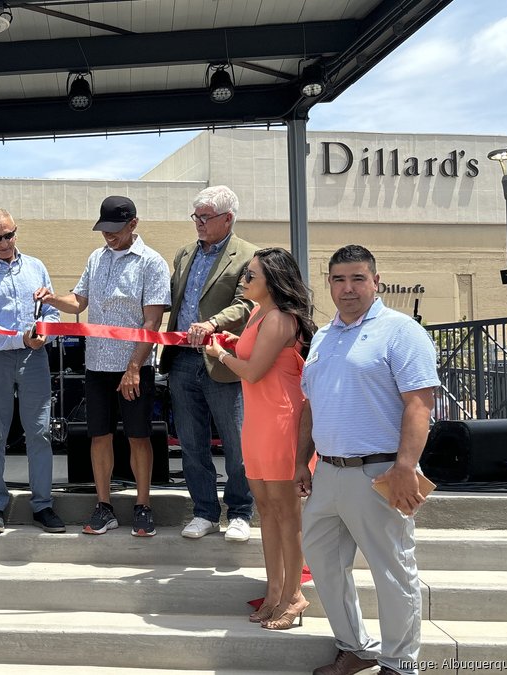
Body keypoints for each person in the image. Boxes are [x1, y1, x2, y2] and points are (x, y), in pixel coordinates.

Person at [295, 245, 438, 675]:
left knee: (392, 571)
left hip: (380, 472)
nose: (348, 288)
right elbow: (309, 405)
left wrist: (406, 468)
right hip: (328, 474)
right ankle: (356, 647)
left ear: (376, 281)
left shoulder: (401, 331)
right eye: (338, 279)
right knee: (322, 561)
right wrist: (302, 462)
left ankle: (400, 663)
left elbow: (419, 403)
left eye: (358, 279)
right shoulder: (323, 336)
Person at [34, 196, 170, 537]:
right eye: (104, 230)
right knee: (99, 436)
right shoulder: (96, 258)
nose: (108, 237)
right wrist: (52, 297)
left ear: (133, 225)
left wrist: (134, 368)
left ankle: (142, 506)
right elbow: (79, 301)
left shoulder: (152, 263)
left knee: (140, 437)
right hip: (96, 365)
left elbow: (152, 322)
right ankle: (104, 505)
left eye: (115, 230)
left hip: (133, 366)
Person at [203, 247, 316, 629]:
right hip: (258, 420)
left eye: (251, 276)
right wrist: (231, 344)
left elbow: (251, 372)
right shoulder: (257, 314)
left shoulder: (281, 318)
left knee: (287, 513)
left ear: (273, 281)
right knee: (266, 511)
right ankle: (274, 593)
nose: (245, 281)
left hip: (281, 421)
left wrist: (220, 352)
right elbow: (254, 360)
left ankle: (293, 596)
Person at [162, 185, 258, 542]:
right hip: (183, 360)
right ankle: (203, 511)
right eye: (196, 216)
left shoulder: (249, 256)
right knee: (191, 441)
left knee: (236, 442)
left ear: (228, 218)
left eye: (206, 217)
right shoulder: (185, 253)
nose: (198, 223)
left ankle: (240, 512)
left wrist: (213, 323)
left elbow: (247, 303)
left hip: (223, 359)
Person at [0, 208, 64, 534]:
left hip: (35, 358)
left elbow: (51, 310)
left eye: (10, 234)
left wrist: (46, 331)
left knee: (40, 431)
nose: (5, 242)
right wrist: (21, 338)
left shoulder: (36, 267)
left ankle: (43, 505)